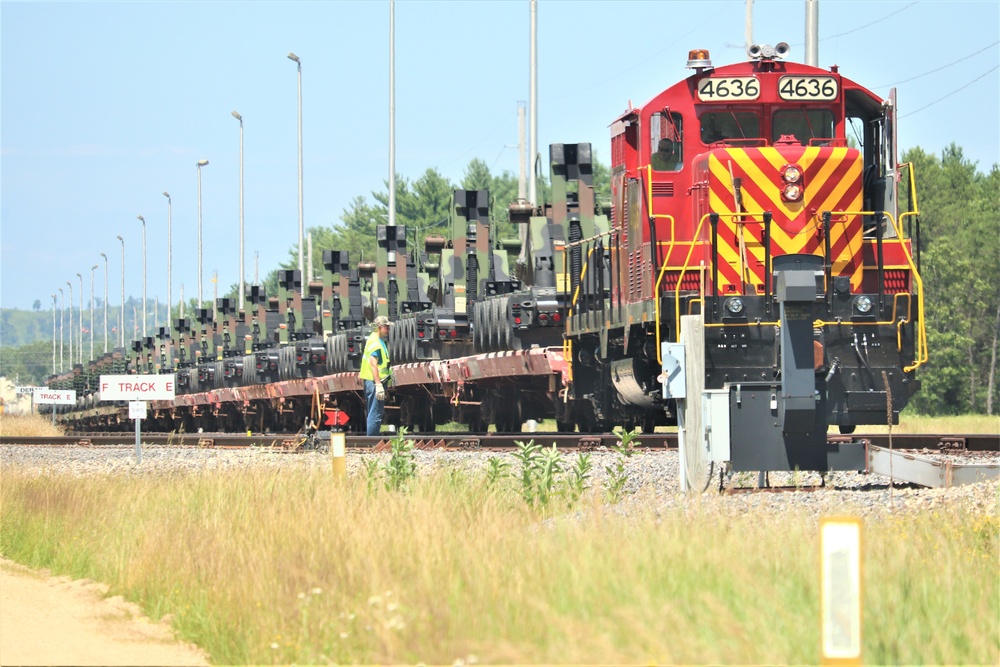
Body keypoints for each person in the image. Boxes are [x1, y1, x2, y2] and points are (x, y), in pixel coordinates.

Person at [359, 315, 393, 436]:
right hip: (374, 382)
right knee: (375, 411)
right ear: (380, 327)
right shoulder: (375, 342)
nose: (388, 330)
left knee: (374, 411)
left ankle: (371, 440)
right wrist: (378, 384)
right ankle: (372, 442)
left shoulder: (377, 340)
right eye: (386, 327)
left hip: (374, 381)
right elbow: (373, 364)